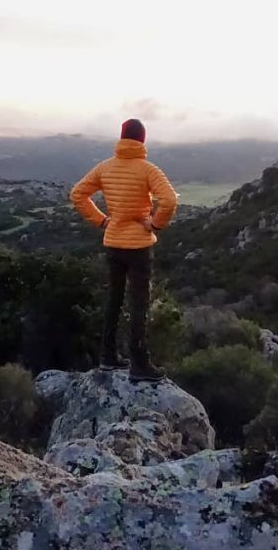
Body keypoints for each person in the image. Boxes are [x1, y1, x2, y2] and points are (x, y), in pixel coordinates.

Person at [70, 118, 179, 381]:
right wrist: (154, 224)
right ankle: (139, 364)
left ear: (122, 138)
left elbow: (77, 194)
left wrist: (102, 220)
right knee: (139, 303)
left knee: (114, 300)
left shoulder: (105, 167)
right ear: (142, 140)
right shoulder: (148, 170)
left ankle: (107, 356)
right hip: (139, 246)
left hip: (114, 243)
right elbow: (170, 200)